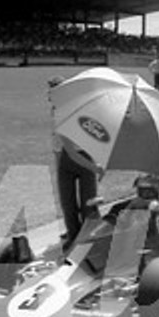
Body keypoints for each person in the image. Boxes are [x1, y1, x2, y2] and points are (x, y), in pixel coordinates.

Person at [48, 75, 101, 250]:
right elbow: (64, 148)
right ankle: (74, 236)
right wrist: (59, 166)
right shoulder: (57, 113)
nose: (49, 96)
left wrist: (94, 166)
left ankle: (91, 238)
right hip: (68, 159)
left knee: (89, 205)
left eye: (54, 92)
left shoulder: (79, 111)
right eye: (50, 92)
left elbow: (96, 138)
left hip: (84, 158)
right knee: (68, 204)